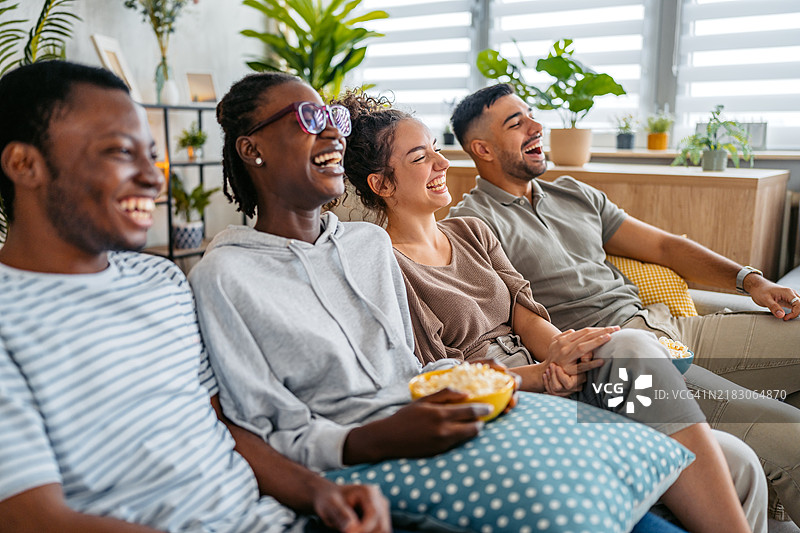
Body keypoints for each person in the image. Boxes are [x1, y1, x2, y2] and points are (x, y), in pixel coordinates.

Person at [332, 90, 768, 533]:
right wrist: (541, 374)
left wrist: (561, 350)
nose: (442, 164)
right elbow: (435, 375)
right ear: (382, 185)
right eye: (421, 158)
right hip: (507, 402)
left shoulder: (470, 231)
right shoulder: (383, 263)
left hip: (554, 377)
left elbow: (525, 313)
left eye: (438, 151)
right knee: (635, 346)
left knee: (741, 463)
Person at [0, 60, 390, 533]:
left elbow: (224, 428)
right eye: (121, 152)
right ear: (25, 165)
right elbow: (35, 519)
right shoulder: (10, 317)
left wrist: (323, 495)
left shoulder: (160, 281)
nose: (154, 177)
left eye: (152, 155)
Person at [446, 81, 800, 525]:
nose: (537, 126)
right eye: (516, 123)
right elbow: (496, 327)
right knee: (789, 435)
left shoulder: (573, 192)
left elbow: (667, 248)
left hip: (668, 325)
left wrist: (750, 280)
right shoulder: (472, 224)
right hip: (622, 357)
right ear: (483, 148)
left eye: (531, 114)